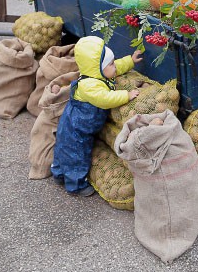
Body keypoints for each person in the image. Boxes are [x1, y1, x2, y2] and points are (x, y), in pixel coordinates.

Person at [51, 36, 143, 197]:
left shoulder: (99, 73)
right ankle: (75, 185)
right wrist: (126, 95)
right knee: (75, 154)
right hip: (77, 128)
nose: (114, 66)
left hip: (82, 125)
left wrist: (131, 60)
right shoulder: (89, 85)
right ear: (99, 67)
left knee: (65, 150)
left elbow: (116, 67)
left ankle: (59, 173)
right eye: (111, 63)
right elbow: (105, 99)